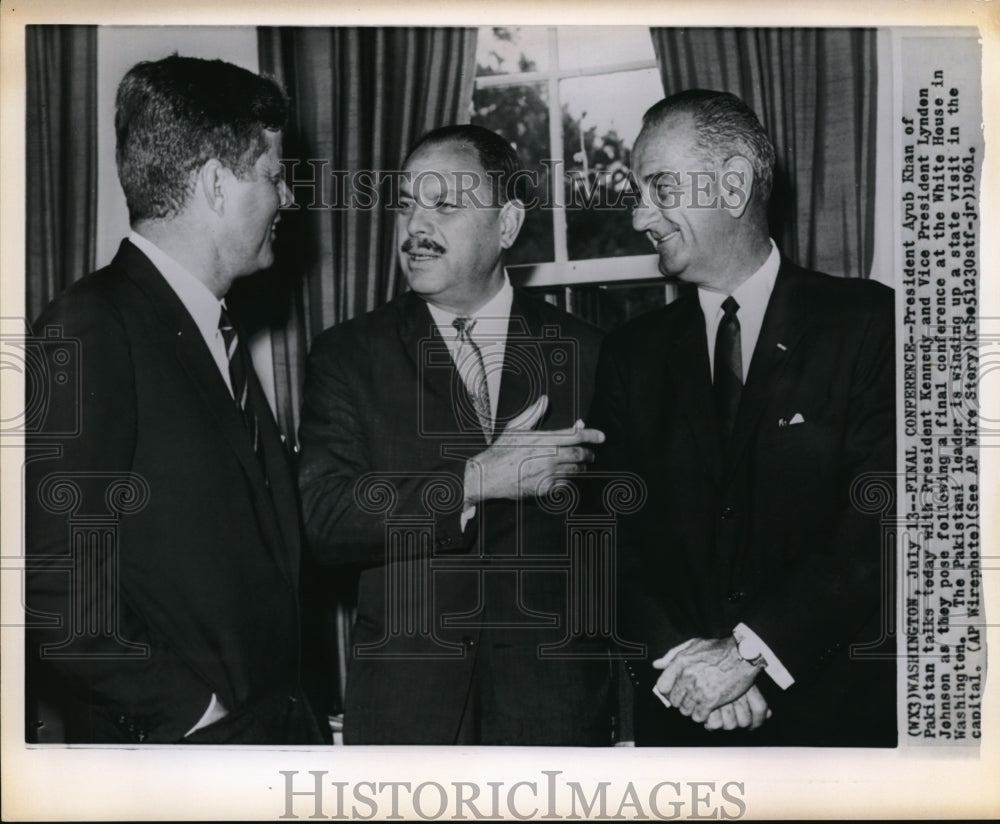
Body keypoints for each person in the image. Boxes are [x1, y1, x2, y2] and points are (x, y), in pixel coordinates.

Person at [25, 55, 327, 744]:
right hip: (182, 755)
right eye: (275, 177)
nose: (288, 199)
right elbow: (50, 580)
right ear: (217, 185)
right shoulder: (92, 323)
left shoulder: (208, 330)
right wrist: (192, 715)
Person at [589, 89, 896, 746]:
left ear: (733, 185)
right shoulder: (629, 356)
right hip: (681, 723)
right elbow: (608, 535)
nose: (641, 215)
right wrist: (686, 669)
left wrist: (751, 656)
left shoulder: (869, 324)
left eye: (660, 187)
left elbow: (882, 524)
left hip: (833, 731)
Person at [298, 124, 616, 745]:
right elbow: (326, 519)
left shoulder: (589, 354)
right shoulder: (346, 357)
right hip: (408, 720)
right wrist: (473, 481)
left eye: (444, 205)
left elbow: (630, 547)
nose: (417, 227)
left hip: (557, 717)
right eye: (407, 204)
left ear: (506, 225)